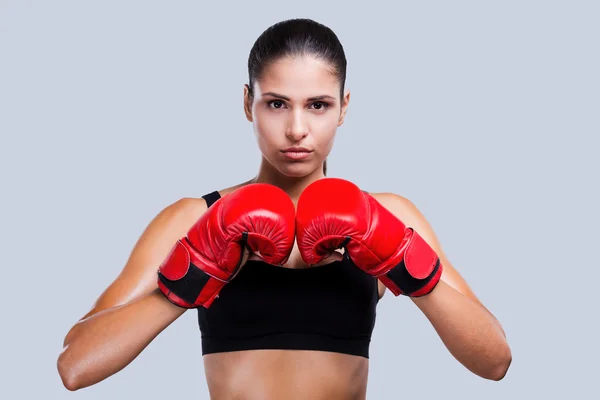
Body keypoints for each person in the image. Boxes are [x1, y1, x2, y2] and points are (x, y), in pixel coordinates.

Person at [57, 18, 512, 399]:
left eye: (317, 105)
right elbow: (76, 366)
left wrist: (398, 258)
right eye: (276, 103)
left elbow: (494, 360)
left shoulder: (388, 215)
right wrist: (194, 275)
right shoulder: (193, 218)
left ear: (343, 108)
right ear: (246, 104)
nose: (297, 129)